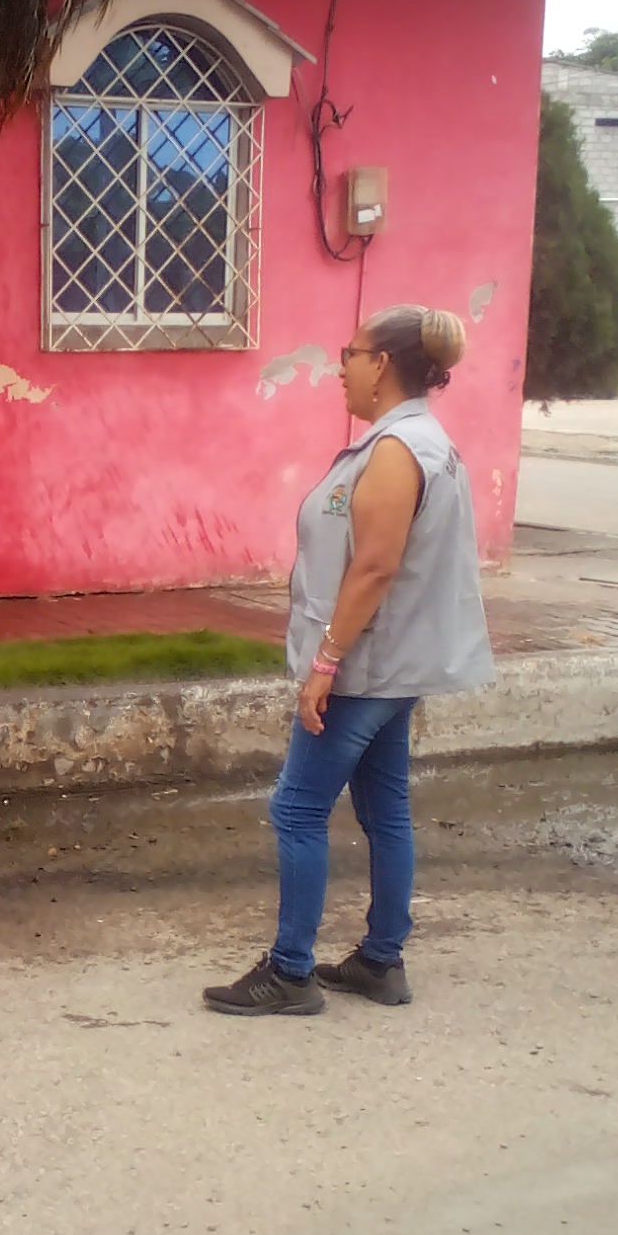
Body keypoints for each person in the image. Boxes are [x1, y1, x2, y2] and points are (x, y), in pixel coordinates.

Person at [204, 303, 495, 1018]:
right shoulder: (425, 441)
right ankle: (380, 960)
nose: (342, 370)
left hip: (367, 666)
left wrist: (326, 663)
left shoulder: (397, 450)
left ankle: (290, 972)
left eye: (351, 355)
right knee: (384, 807)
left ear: (383, 364)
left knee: (297, 808)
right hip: (395, 665)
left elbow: (374, 567)